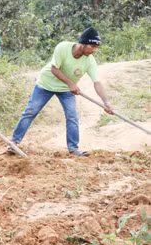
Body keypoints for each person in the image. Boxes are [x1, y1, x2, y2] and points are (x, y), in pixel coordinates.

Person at [8, 27, 114, 157]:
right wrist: (71, 83)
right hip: (45, 85)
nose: (94, 50)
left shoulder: (89, 61)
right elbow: (54, 69)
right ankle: (14, 143)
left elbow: (97, 82)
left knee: (72, 117)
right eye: (92, 46)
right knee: (31, 111)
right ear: (83, 43)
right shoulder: (63, 48)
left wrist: (106, 102)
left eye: (95, 47)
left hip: (66, 91)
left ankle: (73, 150)